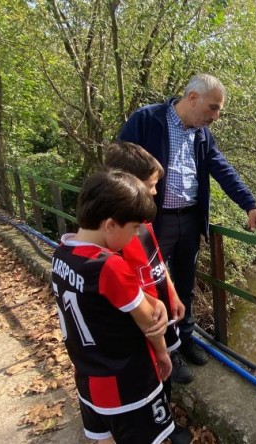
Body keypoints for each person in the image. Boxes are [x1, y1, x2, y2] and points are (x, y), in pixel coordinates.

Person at [119, 73, 256, 383]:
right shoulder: (147, 119)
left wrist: (249, 204)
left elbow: (223, 170)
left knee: (184, 283)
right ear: (192, 98)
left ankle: (186, 339)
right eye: (213, 108)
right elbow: (120, 165)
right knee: (156, 285)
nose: (215, 117)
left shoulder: (201, 135)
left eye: (218, 111)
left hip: (189, 219)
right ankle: (166, 349)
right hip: (154, 221)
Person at [50, 170, 174, 444]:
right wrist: (163, 355)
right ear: (110, 225)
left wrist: (152, 300)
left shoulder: (62, 254)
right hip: (128, 385)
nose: (134, 237)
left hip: (88, 381)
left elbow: (101, 298)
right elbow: (149, 324)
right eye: (132, 229)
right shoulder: (109, 265)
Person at [102, 142, 193, 444]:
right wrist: (158, 345)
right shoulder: (116, 235)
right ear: (127, 184)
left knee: (163, 378)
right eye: (151, 185)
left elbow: (157, 262)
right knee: (153, 377)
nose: (155, 192)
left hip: (161, 312)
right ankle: (161, 426)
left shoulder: (141, 221)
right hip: (145, 322)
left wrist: (174, 294)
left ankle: (165, 420)